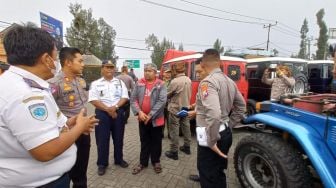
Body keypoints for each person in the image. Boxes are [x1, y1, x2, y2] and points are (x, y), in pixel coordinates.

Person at [0, 24, 98, 187]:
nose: (56, 62)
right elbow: (46, 150)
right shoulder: (26, 94)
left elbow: (37, 127)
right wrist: (79, 128)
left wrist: (68, 123)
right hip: (42, 183)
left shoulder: (22, 84)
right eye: (55, 57)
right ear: (46, 60)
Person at [196, 49, 246, 188]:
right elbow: (242, 107)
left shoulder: (207, 82)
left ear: (203, 64)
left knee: (207, 174)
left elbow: (214, 114)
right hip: (225, 133)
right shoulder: (230, 81)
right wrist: (228, 125)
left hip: (212, 135)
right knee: (218, 171)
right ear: (220, 62)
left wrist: (211, 140)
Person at [49, 47, 90, 188]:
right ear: (68, 62)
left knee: (81, 173)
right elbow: (50, 112)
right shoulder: (54, 83)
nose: (83, 64)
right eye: (80, 61)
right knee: (68, 174)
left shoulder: (80, 80)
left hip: (83, 132)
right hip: (66, 136)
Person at [89, 60, 129, 176]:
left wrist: (115, 107)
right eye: (107, 67)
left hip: (118, 112)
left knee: (118, 138)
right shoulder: (95, 83)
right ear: (102, 69)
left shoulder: (120, 82)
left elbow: (125, 97)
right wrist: (108, 110)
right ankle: (102, 164)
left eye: (112, 67)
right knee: (102, 140)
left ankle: (118, 159)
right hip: (102, 114)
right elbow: (93, 100)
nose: (110, 70)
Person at [130, 63, 167, 175]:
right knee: (144, 141)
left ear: (155, 72)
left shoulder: (161, 84)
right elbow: (133, 99)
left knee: (156, 141)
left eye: (149, 70)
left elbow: (162, 101)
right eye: (145, 70)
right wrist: (139, 112)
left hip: (156, 119)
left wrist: (150, 115)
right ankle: (143, 162)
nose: (146, 72)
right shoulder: (139, 82)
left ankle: (156, 161)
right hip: (142, 118)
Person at [165, 61, 192, 160]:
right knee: (186, 127)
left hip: (175, 109)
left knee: (174, 130)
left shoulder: (175, 81)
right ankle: (187, 147)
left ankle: (174, 151)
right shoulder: (188, 80)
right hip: (185, 107)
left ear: (175, 70)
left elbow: (167, 94)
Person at [162, 68, 172, 138]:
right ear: (164, 74)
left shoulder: (172, 82)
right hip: (162, 104)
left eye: (169, 73)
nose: (168, 74)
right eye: (167, 73)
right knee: (162, 119)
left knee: (169, 120)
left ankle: (169, 134)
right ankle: (161, 133)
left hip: (169, 103)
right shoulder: (161, 82)